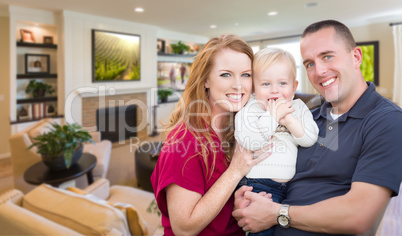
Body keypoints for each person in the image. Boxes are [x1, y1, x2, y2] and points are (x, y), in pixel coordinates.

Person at [233, 19, 402, 235]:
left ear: (356, 57)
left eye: (327, 56)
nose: (319, 71)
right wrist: (247, 201)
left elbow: (359, 216)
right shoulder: (307, 118)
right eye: (310, 63)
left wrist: (277, 213)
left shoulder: (387, 121)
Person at [151, 34, 272, 236]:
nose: (239, 85)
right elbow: (184, 228)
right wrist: (235, 172)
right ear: (206, 80)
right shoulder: (183, 142)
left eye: (246, 74)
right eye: (226, 74)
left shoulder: (241, 127)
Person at [234, 47, 319, 236]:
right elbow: (251, 141)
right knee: (261, 232)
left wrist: (288, 120)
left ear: (294, 86)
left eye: (282, 83)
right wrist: (273, 116)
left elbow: (309, 139)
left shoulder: (297, 108)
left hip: (291, 188)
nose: (275, 90)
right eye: (265, 84)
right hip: (257, 186)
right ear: (254, 87)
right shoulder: (250, 109)